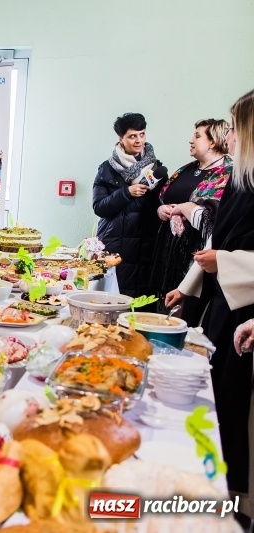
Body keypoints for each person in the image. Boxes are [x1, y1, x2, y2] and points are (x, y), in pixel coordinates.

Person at [166, 88, 254, 528]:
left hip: (246, 315)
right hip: (223, 305)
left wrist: (228, 263)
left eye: (235, 128)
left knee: (235, 408)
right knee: (217, 398)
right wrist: (188, 286)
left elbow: (228, 253)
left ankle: (236, 504)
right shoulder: (241, 180)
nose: (228, 136)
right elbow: (217, 242)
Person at [148, 119, 232, 325]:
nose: (191, 140)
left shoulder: (228, 173)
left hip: (196, 256)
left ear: (212, 142)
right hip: (168, 250)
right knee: (161, 312)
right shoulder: (185, 169)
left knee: (186, 316)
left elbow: (214, 219)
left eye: (197, 136)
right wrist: (161, 210)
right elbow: (163, 198)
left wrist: (185, 208)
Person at [92, 112, 168, 297]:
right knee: (112, 300)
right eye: (132, 136)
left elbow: (161, 205)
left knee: (143, 303)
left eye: (142, 134)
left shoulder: (157, 169)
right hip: (115, 245)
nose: (139, 140)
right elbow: (99, 207)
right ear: (121, 138)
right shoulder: (107, 169)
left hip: (147, 245)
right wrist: (126, 192)